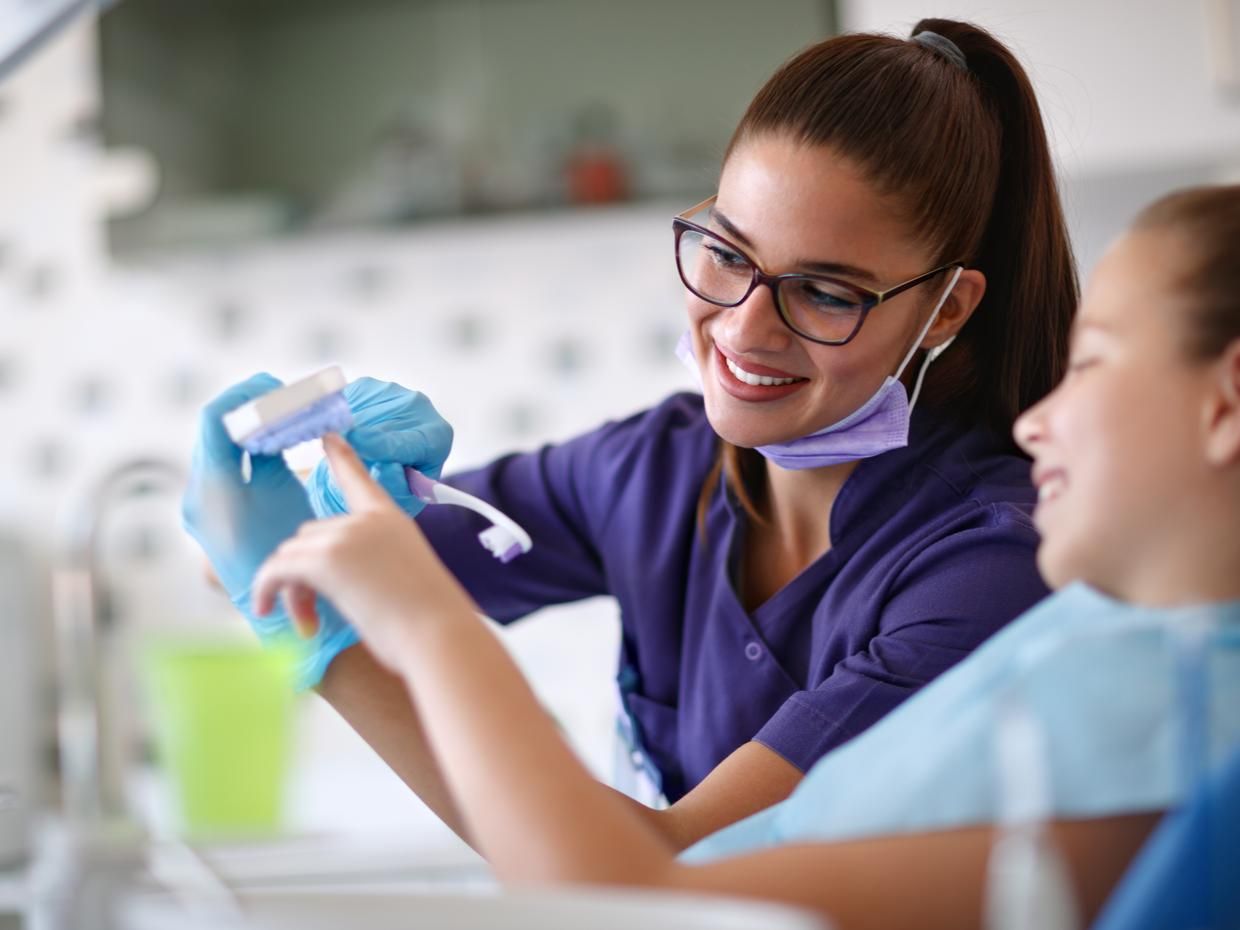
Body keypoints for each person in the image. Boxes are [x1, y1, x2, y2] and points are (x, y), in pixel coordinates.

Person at [182, 19, 1076, 849]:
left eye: (825, 292)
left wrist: (329, 646)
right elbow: (267, 573)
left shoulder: (990, 566)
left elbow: (677, 866)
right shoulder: (658, 469)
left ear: (947, 308)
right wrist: (291, 512)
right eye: (728, 253)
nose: (744, 330)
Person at [248, 183, 1240, 929]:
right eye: (725, 255)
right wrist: (287, 557)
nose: (1036, 423)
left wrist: (416, 626)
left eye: (1093, 363)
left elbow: (647, 896)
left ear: (1225, 401)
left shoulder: (1159, 715)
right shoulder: (1104, 651)